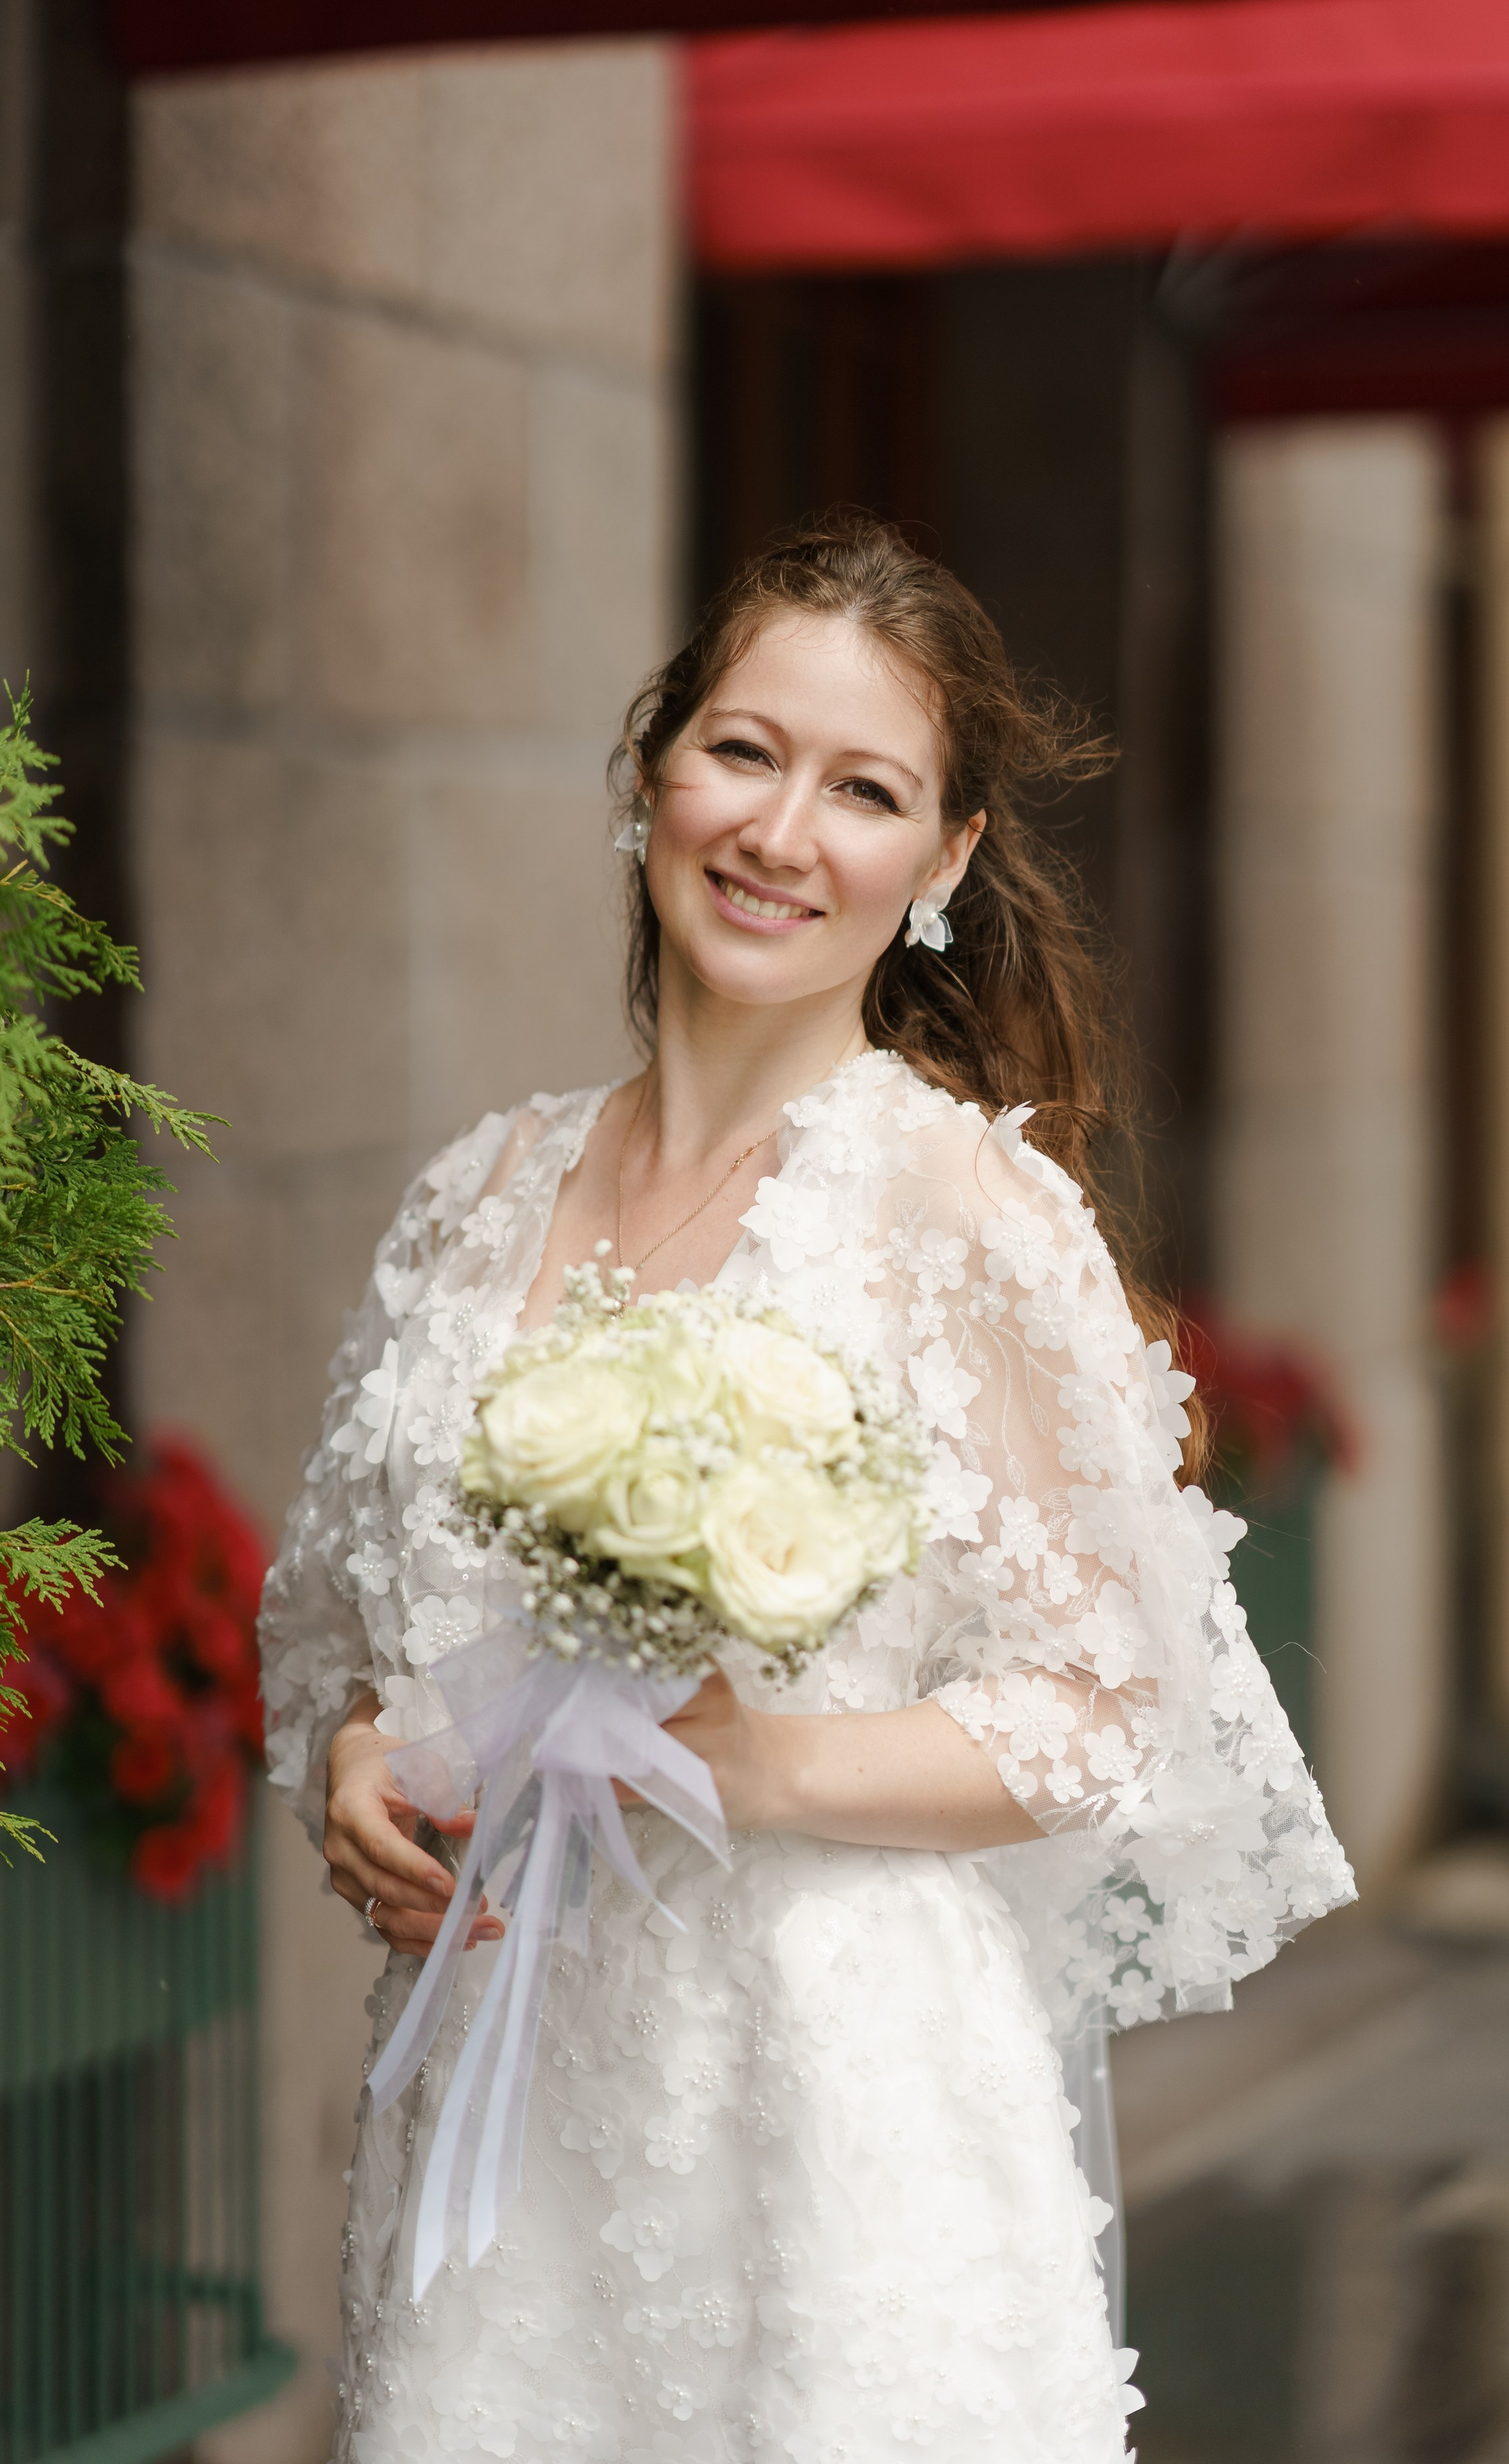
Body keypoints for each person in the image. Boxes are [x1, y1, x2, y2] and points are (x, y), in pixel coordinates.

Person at [260, 517, 1354, 2463]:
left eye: (866, 790)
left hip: (827, 2109)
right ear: (653, 767)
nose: (781, 833)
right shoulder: (473, 1197)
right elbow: (363, 1628)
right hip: (507, 2110)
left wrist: (752, 1768)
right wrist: (362, 1760)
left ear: (943, 860)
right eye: (746, 751)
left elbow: (1113, 1708)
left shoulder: (962, 1208)